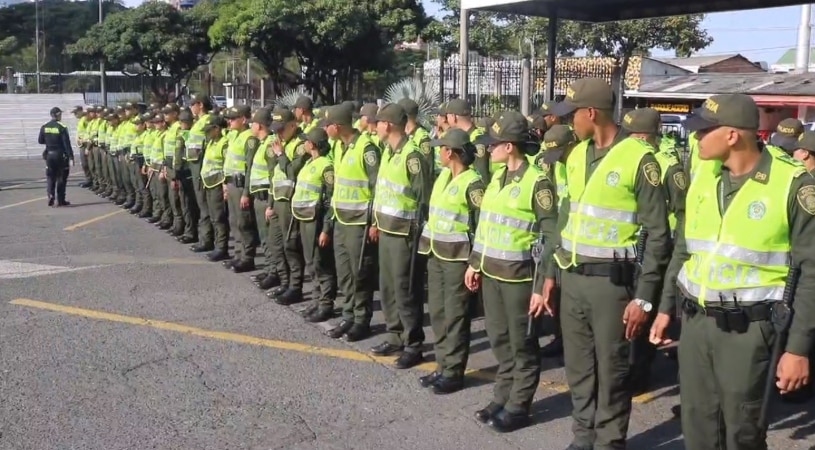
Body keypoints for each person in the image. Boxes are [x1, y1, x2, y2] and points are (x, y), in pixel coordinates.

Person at [650, 93, 815, 450]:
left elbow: (811, 273)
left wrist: (798, 349)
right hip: (696, 324)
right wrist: (665, 308)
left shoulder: (793, 185)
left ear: (731, 136)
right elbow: (684, 248)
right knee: (698, 426)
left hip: (749, 331)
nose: (695, 139)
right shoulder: (705, 178)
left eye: (702, 132)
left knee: (743, 432)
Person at [549, 78, 672, 450]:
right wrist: (550, 277)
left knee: (613, 370)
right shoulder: (574, 155)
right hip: (573, 279)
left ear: (591, 113)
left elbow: (658, 236)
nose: (568, 122)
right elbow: (564, 221)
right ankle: (582, 438)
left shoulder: (639, 159)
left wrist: (645, 298)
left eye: (572, 115)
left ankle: (608, 442)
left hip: (612, 286)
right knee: (580, 369)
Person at [465, 110, 559, 432]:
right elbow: (486, 227)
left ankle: (519, 405)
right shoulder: (496, 178)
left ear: (509, 146)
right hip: (491, 274)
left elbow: (551, 235)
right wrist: (475, 263)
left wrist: (541, 285)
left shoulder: (537, 182)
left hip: (520, 278)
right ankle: (502, 396)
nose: (489, 149)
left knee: (523, 344)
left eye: (494, 144)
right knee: (500, 340)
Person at [621, 107, 689, 393]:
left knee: (647, 303)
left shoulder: (666, 164)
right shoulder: (628, 157)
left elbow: (682, 209)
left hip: (659, 242)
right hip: (634, 241)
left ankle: (641, 371)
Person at [417, 128, 485, 395]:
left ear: (451, 152)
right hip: (437, 254)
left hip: (458, 259)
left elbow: (482, 224)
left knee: (455, 316)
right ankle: (443, 364)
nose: (438, 152)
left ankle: (454, 371)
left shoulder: (473, 183)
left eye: (441, 148)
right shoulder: (444, 175)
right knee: (438, 313)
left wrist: (475, 263)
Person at [370, 103, 431, 369]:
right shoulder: (387, 152)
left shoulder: (412, 156)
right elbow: (383, 192)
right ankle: (395, 335)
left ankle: (413, 343)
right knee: (388, 288)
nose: (376, 126)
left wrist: (418, 231)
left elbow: (422, 197)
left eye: (379, 122)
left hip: (404, 233)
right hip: (386, 230)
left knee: (406, 289)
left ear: (389, 125)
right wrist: (375, 222)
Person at [325, 105, 381, 341]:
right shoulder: (339, 147)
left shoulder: (366, 149)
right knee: (345, 273)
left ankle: (361, 320)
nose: (325, 129)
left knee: (360, 273)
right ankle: (348, 315)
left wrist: (374, 222)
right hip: (341, 220)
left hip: (359, 222)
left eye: (327, 125)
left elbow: (377, 187)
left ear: (337, 126)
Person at [535, 124, 578, 359]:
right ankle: (561, 337)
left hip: (577, 234)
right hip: (559, 229)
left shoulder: (580, 163)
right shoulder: (557, 164)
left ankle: (569, 339)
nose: (556, 160)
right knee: (557, 289)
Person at [292, 127, 337, 323]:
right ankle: (317, 299)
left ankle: (326, 303)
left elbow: (329, 198)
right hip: (305, 217)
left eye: (306, 141)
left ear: (313, 144)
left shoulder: (326, 166)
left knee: (321, 263)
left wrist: (326, 228)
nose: (303, 143)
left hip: (317, 220)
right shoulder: (309, 162)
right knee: (311, 261)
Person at [268, 107, 309, 303]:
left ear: (293, 125)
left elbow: (293, 171)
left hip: (291, 201)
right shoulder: (281, 142)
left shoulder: (301, 144)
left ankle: (295, 287)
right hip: (278, 199)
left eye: (281, 129)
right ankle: (285, 283)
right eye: (276, 129)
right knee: (277, 244)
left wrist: (281, 155)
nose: (278, 133)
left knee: (291, 246)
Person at [247, 108, 284, 293]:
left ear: (259, 125)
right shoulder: (263, 143)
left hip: (265, 197)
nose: (251, 126)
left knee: (269, 238)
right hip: (258, 196)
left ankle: (274, 272)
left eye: (253, 123)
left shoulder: (269, 144)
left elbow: (272, 176)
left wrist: (270, 204)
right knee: (264, 237)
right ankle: (270, 269)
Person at [222, 104, 261, 273]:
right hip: (231, 183)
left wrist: (246, 192)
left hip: (240, 185)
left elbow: (250, 167)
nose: (229, 121)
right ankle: (238, 254)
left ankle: (247, 257)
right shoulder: (235, 135)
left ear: (243, 119)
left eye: (233, 118)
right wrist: (225, 183)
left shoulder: (249, 138)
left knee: (244, 222)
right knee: (234, 221)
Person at [199, 115, 232, 262]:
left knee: (219, 217)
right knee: (212, 216)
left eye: (210, 130)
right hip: (208, 183)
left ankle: (221, 248)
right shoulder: (211, 142)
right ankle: (215, 245)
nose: (207, 133)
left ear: (217, 129)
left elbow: (227, 165)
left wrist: (225, 186)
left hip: (217, 184)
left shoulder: (224, 143)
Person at [186, 94, 215, 252]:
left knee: (204, 206)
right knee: (201, 204)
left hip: (203, 169)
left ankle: (206, 240)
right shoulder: (198, 122)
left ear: (201, 105)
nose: (191, 107)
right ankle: (205, 237)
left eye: (193, 104)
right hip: (195, 167)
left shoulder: (207, 121)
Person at [171, 109, 200, 244]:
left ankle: (190, 232)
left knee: (186, 204)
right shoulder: (194, 134)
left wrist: (175, 175)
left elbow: (177, 158)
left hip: (184, 172)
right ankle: (192, 230)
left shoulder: (182, 136)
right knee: (192, 204)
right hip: (193, 171)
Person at [39, 106, 74, 207]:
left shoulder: (45, 126)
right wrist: (71, 156)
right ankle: (61, 199)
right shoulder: (61, 127)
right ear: (58, 115)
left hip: (49, 154)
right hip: (60, 155)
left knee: (50, 176)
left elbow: (40, 141)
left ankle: (50, 195)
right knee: (61, 178)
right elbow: (66, 143)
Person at [446, 99, 488, 180]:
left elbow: (482, 174)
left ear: (454, 117)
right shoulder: (471, 136)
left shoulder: (477, 140)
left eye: (447, 116)